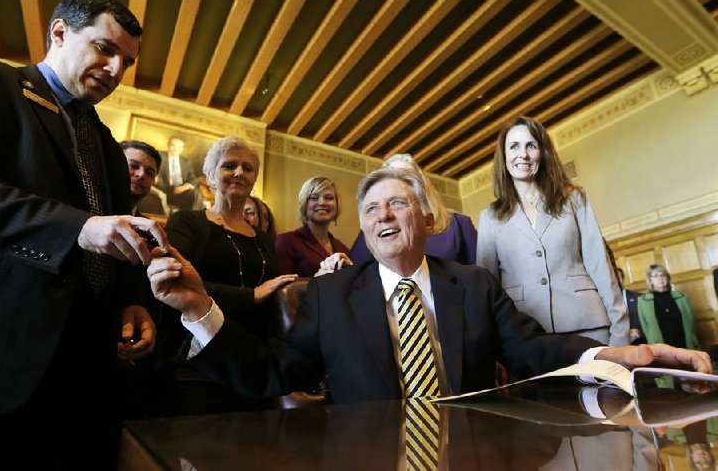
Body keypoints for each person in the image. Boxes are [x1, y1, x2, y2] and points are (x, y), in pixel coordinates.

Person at [146, 166, 711, 405]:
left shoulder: (474, 284)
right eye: (370, 208)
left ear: (425, 217)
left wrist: (621, 355)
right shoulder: (329, 297)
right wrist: (200, 310)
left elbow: (533, 351)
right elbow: (268, 373)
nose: (383, 214)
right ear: (364, 227)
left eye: (396, 202)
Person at [0, 0, 167, 468]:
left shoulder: (110, 149)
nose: (116, 70)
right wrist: (79, 228)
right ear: (58, 32)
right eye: (104, 49)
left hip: (82, 379)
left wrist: (132, 299)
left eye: (126, 62)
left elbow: (114, 235)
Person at [155, 136, 297, 415]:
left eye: (248, 168)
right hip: (198, 362)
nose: (239, 173)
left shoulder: (265, 239)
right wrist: (251, 296)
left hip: (254, 363)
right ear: (209, 176)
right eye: (229, 165)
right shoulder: (187, 222)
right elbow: (179, 283)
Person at [477, 116, 629, 347]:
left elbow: (599, 263)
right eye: (514, 146)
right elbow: (488, 289)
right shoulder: (489, 217)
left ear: (543, 152)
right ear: (504, 156)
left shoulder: (574, 199)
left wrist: (621, 330)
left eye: (531, 145)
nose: (523, 154)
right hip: (525, 336)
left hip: (589, 326)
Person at [346, 153, 477, 268]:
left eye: (406, 177)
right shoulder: (375, 227)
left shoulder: (459, 223)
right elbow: (355, 271)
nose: (399, 183)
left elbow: (479, 278)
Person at [276, 176, 351, 277]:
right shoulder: (286, 242)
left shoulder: (344, 250)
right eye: (314, 198)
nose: (322, 203)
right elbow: (280, 288)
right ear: (304, 204)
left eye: (329, 198)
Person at [638, 264, 699, 350]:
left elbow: (691, 321)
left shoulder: (682, 297)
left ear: (667, 278)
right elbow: (645, 326)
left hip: (684, 342)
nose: (660, 278)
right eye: (655, 276)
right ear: (650, 280)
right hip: (659, 346)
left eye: (662, 275)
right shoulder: (643, 301)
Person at [156, 136, 203, 212]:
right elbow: (158, 176)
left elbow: (193, 179)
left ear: (182, 149)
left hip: (182, 192)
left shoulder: (185, 161)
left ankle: (193, 218)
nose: (175, 149)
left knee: (196, 194)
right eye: (173, 145)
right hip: (166, 191)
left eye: (179, 147)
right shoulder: (160, 156)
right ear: (168, 145)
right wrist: (172, 189)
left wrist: (185, 187)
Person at [121, 139, 164, 215]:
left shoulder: (148, 226)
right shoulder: (92, 218)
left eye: (149, 173)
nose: (141, 175)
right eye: (133, 166)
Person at [616, 267, 644, 344]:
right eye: (614, 278)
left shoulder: (639, 298)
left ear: (623, 279)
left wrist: (639, 331)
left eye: (618, 277)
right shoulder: (603, 301)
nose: (616, 281)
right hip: (618, 345)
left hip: (640, 342)